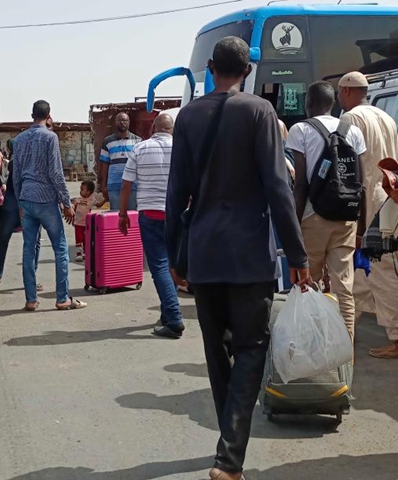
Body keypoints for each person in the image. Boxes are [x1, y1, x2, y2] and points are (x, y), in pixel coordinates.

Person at [165, 36, 309, 480]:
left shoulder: (187, 116)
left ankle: (228, 447)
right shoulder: (259, 112)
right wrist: (297, 253)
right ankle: (229, 459)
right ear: (247, 70)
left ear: (210, 67)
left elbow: (176, 193)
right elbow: (276, 186)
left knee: (217, 351)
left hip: (205, 253)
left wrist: (174, 254)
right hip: (249, 254)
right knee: (250, 348)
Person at [338, 71, 398, 359]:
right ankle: (344, 330)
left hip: (367, 206)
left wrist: (356, 221)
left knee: (382, 270)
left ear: (346, 91)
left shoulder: (351, 119)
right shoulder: (385, 117)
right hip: (389, 200)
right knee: (363, 272)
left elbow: (350, 171)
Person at [286, 80, 367, 339]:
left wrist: (294, 226)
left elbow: (300, 185)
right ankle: (346, 354)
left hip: (313, 216)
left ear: (309, 104)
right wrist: (360, 226)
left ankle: (313, 347)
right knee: (344, 287)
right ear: (332, 103)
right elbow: (360, 183)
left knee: (309, 283)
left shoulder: (300, 129)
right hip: (346, 217)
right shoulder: (352, 131)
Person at [13, 100, 87, 312]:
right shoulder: (50, 137)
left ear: (31, 114)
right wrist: (66, 202)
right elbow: (55, 173)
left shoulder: (19, 140)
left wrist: (20, 201)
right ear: (49, 115)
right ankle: (62, 298)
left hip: (27, 198)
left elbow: (15, 175)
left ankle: (31, 299)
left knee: (28, 249)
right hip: (46, 199)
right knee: (61, 247)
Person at [118, 113, 186, 339]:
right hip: (177, 214)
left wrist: (122, 214)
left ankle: (174, 319)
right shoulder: (182, 148)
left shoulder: (140, 148)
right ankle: (168, 314)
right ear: (172, 129)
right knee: (172, 263)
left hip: (149, 214)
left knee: (159, 266)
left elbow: (126, 185)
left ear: (153, 128)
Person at [0, 139, 43, 294]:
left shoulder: (26, 160)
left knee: (29, 241)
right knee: (16, 240)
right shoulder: (19, 161)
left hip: (21, 205)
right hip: (16, 206)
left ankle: (21, 277)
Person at [98, 113, 141, 211]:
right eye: (119, 120)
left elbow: (141, 164)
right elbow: (104, 165)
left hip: (133, 185)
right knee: (115, 215)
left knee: (132, 214)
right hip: (114, 184)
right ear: (115, 122)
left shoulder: (138, 141)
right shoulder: (107, 141)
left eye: (125, 120)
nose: (122, 122)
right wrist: (103, 185)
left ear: (129, 122)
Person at [72, 180, 95, 263]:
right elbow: (73, 210)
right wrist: (72, 219)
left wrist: (105, 199)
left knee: (86, 239)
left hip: (87, 224)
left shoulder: (91, 200)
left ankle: (86, 253)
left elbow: (98, 205)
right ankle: (79, 254)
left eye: (82, 189)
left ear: (89, 192)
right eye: (80, 189)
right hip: (78, 223)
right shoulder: (77, 200)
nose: (80, 191)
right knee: (78, 239)